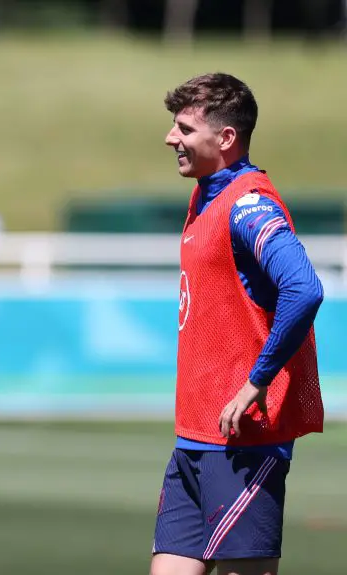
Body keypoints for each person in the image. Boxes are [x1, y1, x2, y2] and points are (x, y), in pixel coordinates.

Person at [151, 72, 324, 575]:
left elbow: (305, 288)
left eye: (183, 128)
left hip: (243, 440)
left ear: (225, 138)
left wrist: (257, 382)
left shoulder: (248, 203)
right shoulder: (206, 194)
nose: (170, 138)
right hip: (194, 438)